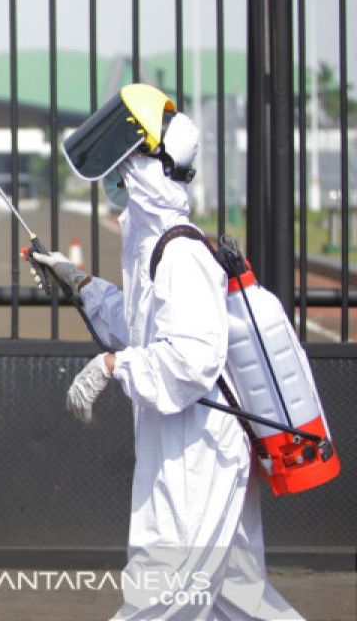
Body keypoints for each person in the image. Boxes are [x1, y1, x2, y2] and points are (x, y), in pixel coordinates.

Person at [29, 83, 301, 620]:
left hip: (196, 455)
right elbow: (144, 329)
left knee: (160, 599)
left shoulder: (179, 253)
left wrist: (112, 365)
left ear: (149, 168)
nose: (115, 176)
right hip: (193, 446)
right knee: (239, 600)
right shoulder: (156, 247)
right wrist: (79, 282)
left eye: (124, 163)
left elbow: (193, 358)